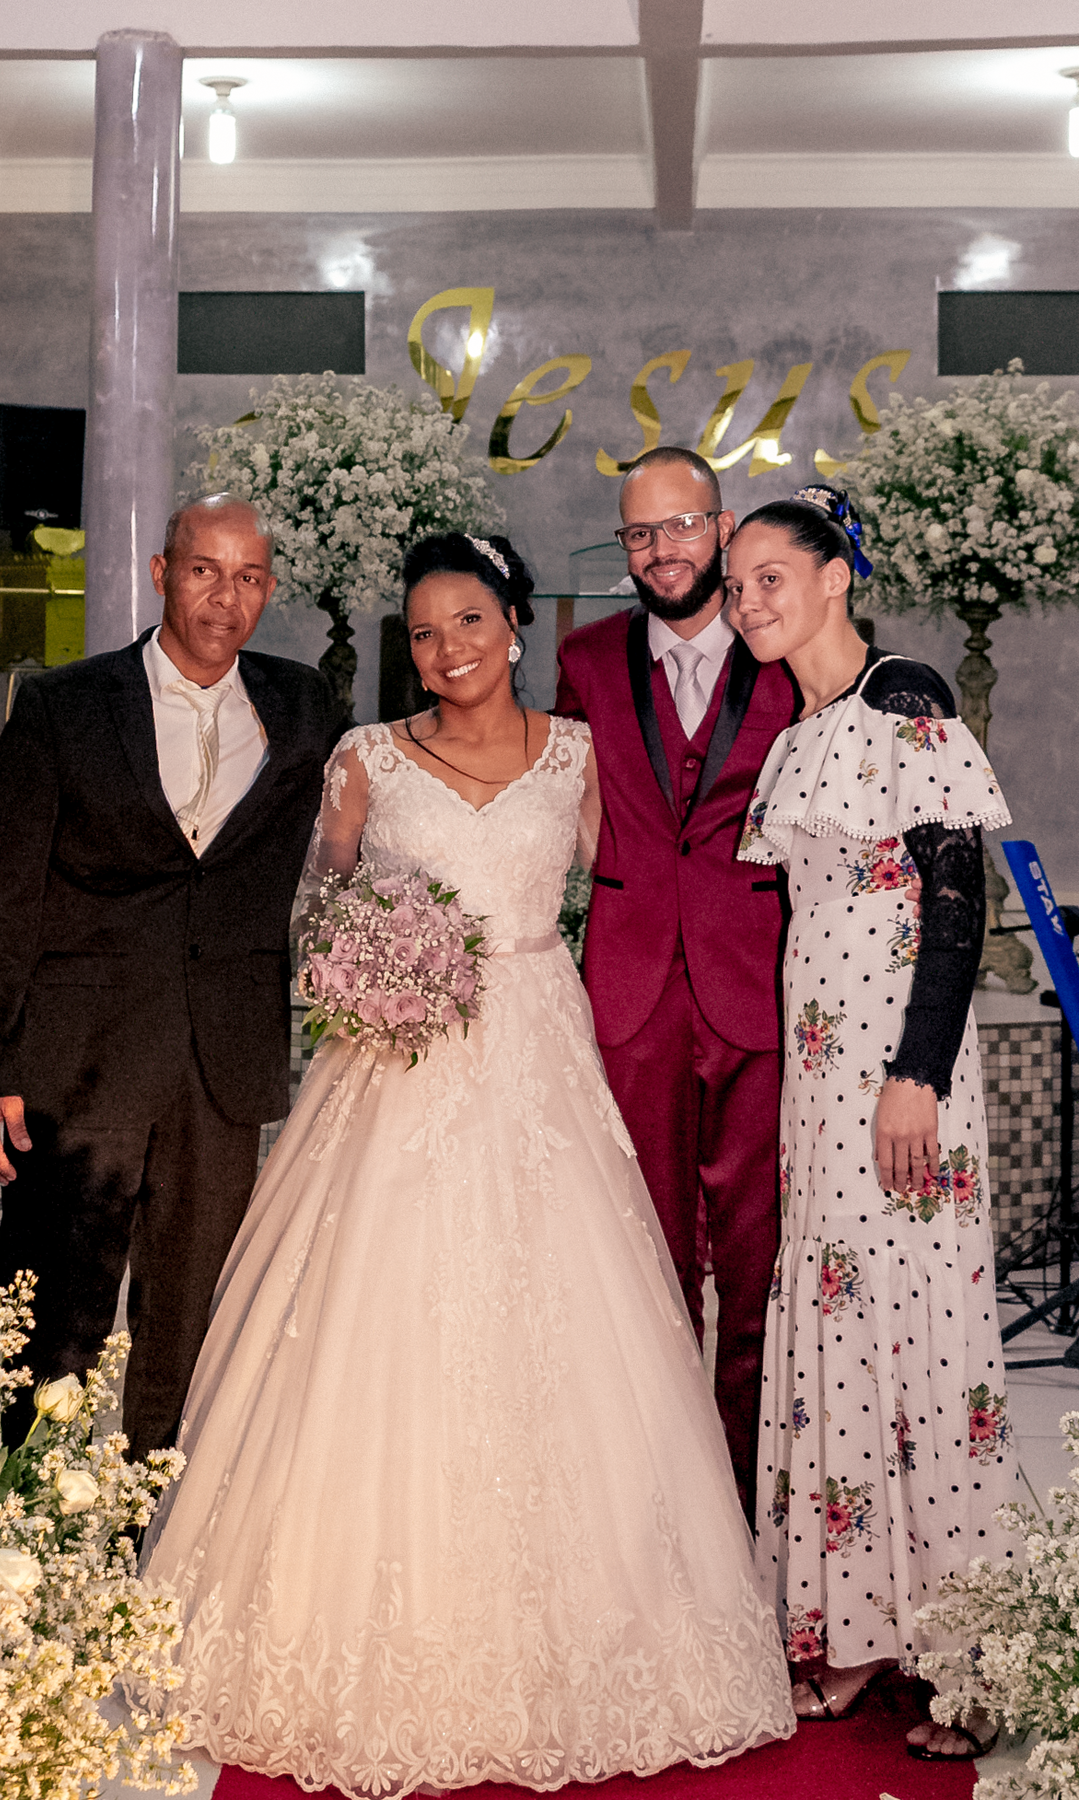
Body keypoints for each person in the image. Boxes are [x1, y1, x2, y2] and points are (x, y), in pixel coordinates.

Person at [140, 531, 795, 1796]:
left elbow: (643, 886)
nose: (447, 650)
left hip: (543, 1050)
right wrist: (371, 964)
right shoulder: (365, 757)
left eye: (470, 623)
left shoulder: (582, 755)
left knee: (572, 1324)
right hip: (398, 1064)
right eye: (426, 632)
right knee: (374, 1317)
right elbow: (315, 908)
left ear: (514, 624)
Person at [726, 487, 1018, 1761]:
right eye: (736, 586)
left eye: (771, 578)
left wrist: (919, 1072)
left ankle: (970, 1653)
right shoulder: (800, 734)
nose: (748, 603)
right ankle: (851, 1628)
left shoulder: (904, 696)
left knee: (924, 1334)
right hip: (822, 1079)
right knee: (842, 1326)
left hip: (901, 1076)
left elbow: (959, 893)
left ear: (835, 576)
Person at [0, 494, 336, 1460]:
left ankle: (153, 1516)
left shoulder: (305, 709)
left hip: (223, 1065)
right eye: (205, 570)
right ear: (163, 573)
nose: (226, 597)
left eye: (249, 577)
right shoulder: (64, 706)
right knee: (54, 1319)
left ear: (269, 591)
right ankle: (37, 1509)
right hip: (81, 1061)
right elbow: (1, 900)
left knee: (191, 1322)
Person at [554, 446, 799, 1519]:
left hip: (760, 987)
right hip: (631, 988)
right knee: (642, 1259)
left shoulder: (785, 648)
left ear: (723, 526)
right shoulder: (585, 657)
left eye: (683, 525)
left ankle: (743, 1501)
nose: (662, 550)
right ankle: (657, 1510)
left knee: (756, 1262)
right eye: (641, 533)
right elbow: (563, 800)